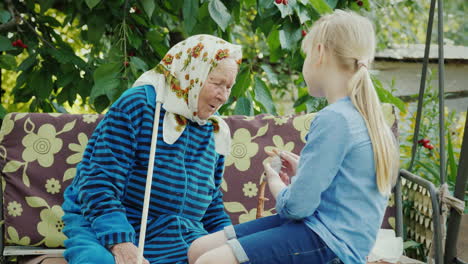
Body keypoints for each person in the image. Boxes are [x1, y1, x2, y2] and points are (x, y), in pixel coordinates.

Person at [187, 10, 399, 264]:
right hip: (323, 233)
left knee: (208, 261)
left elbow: (298, 207)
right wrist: (302, 174)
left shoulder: (335, 119)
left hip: (329, 245)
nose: (306, 62)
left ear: (319, 52)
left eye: (306, 54)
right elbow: (343, 190)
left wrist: (277, 183)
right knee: (198, 248)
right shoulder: (359, 116)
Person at [61, 34, 242, 264]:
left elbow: (211, 203)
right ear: (192, 73)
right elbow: (98, 181)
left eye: (229, 87)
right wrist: (121, 243)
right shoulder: (138, 105)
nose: (223, 96)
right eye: (217, 83)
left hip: (179, 235)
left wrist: (234, 243)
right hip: (110, 222)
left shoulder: (214, 131)